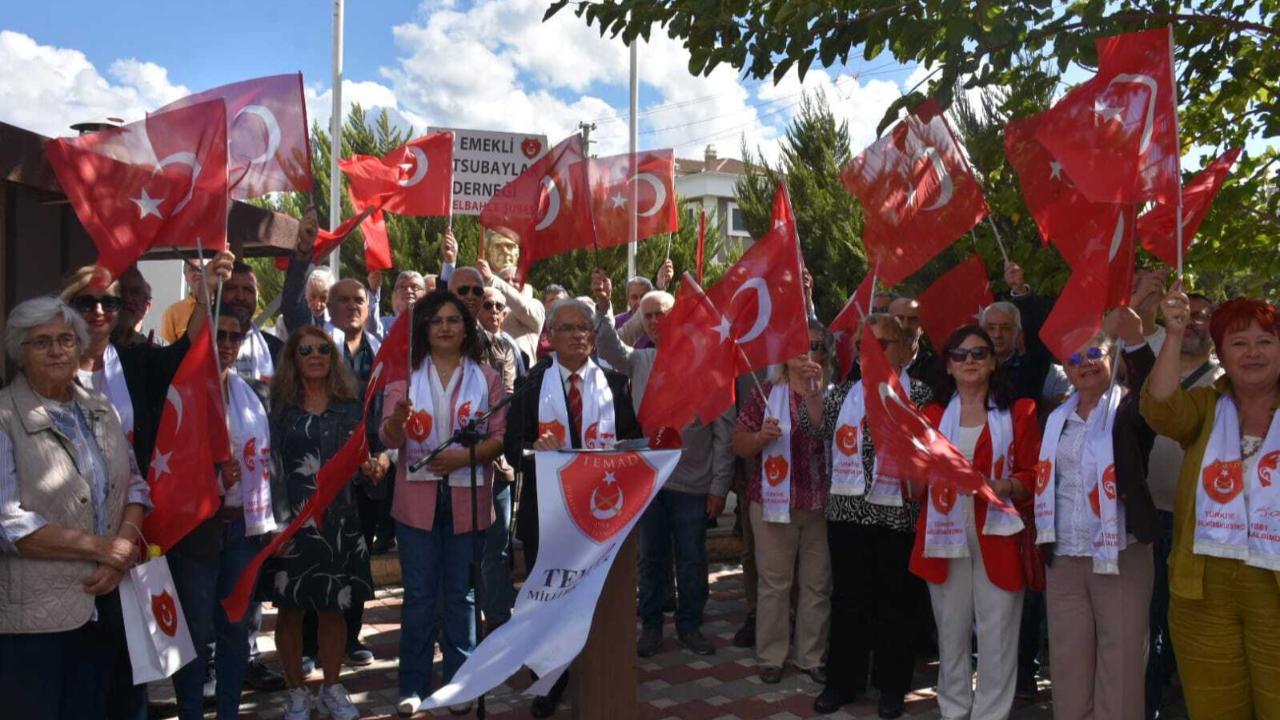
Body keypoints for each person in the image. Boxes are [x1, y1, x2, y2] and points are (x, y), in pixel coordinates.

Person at [0, 296, 151, 720]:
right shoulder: (5, 416)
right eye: (41, 342)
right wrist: (104, 550)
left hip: (108, 607)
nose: (56, 350)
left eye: (66, 340)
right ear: (19, 353)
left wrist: (122, 551)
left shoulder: (100, 407)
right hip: (35, 623)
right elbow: (8, 523)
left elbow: (136, 486)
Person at [1141, 290, 1280, 719]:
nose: (1252, 352)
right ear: (1221, 353)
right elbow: (1160, 408)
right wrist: (1173, 333)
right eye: (1239, 343)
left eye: (1265, 341)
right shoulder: (1206, 407)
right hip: (1202, 589)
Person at [504, 297, 642, 718]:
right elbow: (511, 448)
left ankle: (595, 672)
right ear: (550, 336)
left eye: (585, 327)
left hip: (601, 514)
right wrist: (534, 448)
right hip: (548, 513)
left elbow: (634, 440)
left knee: (594, 602)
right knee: (551, 601)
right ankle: (551, 679)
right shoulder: (532, 384)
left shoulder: (614, 383)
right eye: (568, 328)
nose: (579, 335)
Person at [592, 270, 734, 657]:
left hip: (694, 483)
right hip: (651, 482)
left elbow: (724, 433)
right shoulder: (641, 360)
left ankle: (690, 625)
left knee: (691, 559)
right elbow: (608, 349)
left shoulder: (708, 364)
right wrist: (604, 307)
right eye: (649, 316)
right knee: (650, 558)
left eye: (662, 314)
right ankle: (651, 626)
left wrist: (719, 486)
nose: (655, 322)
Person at [380, 291, 507, 717]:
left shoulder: (487, 378)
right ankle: (413, 685)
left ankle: (459, 682)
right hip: (416, 502)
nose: (446, 327)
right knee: (418, 596)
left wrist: (463, 457)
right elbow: (388, 437)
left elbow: (498, 439)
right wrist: (397, 422)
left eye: (454, 320)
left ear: (466, 329)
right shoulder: (404, 375)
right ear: (424, 328)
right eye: (437, 320)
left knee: (462, 596)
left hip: (468, 499)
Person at [909, 326, 1041, 720]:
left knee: (997, 634)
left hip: (998, 532)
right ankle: (953, 710)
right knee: (951, 631)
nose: (970, 360)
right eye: (960, 354)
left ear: (993, 362)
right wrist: (907, 466)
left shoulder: (1020, 412)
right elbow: (915, 489)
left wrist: (1003, 485)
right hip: (942, 533)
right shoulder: (930, 417)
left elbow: (1034, 475)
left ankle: (990, 714)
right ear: (948, 365)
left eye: (979, 353)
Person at [808, 314, 931, 718]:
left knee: (896, 602)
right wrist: (812, 394)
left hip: (898, 514)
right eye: (865, 344)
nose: (873, 352)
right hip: (847, 513)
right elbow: (816, 428)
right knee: (848, 600)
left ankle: (891, 687)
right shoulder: (843, 394)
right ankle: (842, 683)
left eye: (883, 343)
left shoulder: (920, 394)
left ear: (903, 349)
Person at [1036, 309, 1156, 720]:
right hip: (1065, 552)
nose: (1084, 363)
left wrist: (1136, 339)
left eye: (1093, 353)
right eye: (1074, 359)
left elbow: (1155, 392)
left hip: (1120, 551)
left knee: (1120, 661)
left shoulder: (1130, 410)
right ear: (1066, 370)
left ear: (1112, 357)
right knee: (1068, 660)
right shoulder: (1054, 416)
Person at [167, 304, 278, 720]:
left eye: (236, 336)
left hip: (243, 529)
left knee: (235, 629)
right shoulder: (182, 392)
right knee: (195, 632)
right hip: (196, 530)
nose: (227, 344)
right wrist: (212, 479)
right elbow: (168, 465)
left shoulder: (251, 394)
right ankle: (190, 712)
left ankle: (229, 711)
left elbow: (265, 461)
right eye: (219, 335)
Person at [260, 326, 372, 720]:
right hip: (291, 522)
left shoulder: (350, 406)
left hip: (339, 521)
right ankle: (296, 693)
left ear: (333, 356)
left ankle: (331, 688)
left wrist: (372, 467)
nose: (315, 356)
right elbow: (269, 468)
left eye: (323, 349)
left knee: (334, 608)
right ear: (292, 358)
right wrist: (274, 523)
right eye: (305, 350)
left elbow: (362, 459)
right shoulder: (278, 409)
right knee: (290, 611)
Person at [733, 321, 833, 687]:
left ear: (825, 355)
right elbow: (739, 443)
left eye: (815, 345)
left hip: (819, 504)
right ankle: (771, 657)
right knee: (775, 584)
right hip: (773, 505)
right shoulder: (765, 393)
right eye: (797, 344)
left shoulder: (834, 394)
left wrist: (815, 395)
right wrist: (761, 437)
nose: (806, 351)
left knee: (816, 584)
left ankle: (810, 656)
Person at [223, 262, 284, 383]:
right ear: (217, 293)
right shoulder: (201, 344)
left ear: (257, 297)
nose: (240, 297)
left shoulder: (277, 350)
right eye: (232, 288)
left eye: (248, 290)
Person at [368, 269, 427, 339]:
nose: (408, 291)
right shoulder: (385, 324)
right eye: (402, 287)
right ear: (395, 294)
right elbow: (372, 330)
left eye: (414, 287)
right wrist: (374, 291)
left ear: (424, 294)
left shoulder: (432, 324)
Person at [159, 258, 206, 343]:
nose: (198, 272)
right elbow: (167, 347)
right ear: (186, 277)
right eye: (192, 269)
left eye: (202, 268)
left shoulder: (219, 306)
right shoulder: (172, 313)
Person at [890, 296, 935, 381]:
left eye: (913, 320)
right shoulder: (874, 361)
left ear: (922, 327)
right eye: (899, 318)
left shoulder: (936, 368)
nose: (905, 325)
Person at [111, 266, 158, 347]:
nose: (127, 298)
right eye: (121, 291)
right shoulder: (94, 345)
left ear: (147, 305)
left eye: (135, 292)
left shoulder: (157, 350)